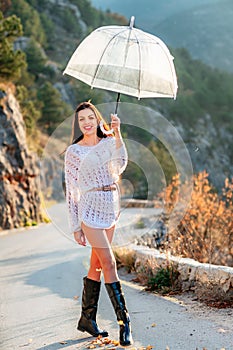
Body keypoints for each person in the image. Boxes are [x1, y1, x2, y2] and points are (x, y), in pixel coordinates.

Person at [64, 101, 133, 346]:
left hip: (110, 205)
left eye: (90, 117)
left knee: (96, 266)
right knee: (109, 262)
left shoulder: (107, 142)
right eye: (81, 119)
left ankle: (87, 319)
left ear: (97, 118)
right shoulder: (74, 152)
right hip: (89, 209)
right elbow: (72, 191)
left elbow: (120, 165)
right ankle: (125, 323)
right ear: (78, 124)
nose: (87, 122)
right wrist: (75, 226)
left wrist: (117, 134)